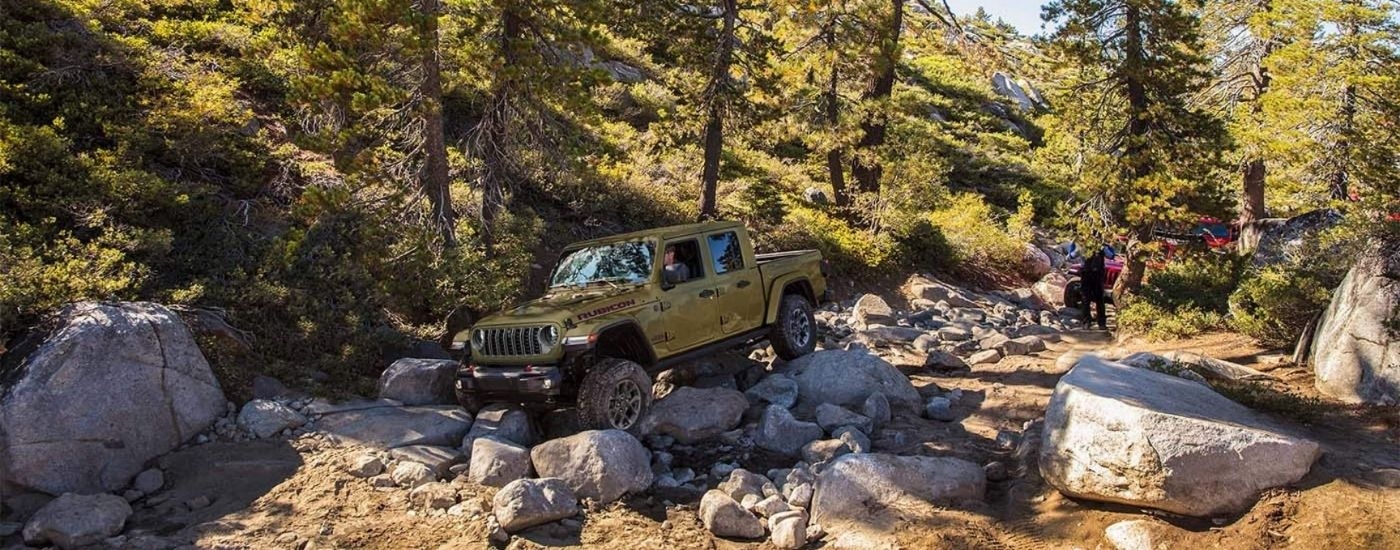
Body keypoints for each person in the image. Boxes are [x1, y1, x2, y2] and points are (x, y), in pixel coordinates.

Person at [1080, 246, 1108, 330]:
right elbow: (1111, 255)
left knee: (1087, 300)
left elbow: (1071, 255)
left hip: (1091, 275)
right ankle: (1100, 323)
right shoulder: (1102, 246)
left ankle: (1088, 323)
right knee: (1097, 300)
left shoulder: (1082, 245)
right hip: (1092, 275)